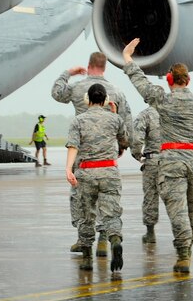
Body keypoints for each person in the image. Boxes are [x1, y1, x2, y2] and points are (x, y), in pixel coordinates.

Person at [121, 39, 193, 274]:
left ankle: (183, 253)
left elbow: (140, 83)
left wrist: (128, 58)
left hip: (171, 160)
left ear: (170, 80)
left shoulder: (162, 99)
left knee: (177, 209)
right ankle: (189, 245)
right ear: (188, 80)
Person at [52, 51, 132, 256]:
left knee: (81, 199)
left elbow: (56, 92)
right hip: (107, 155)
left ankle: (84, 240)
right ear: (105, 67)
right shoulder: (116, 91)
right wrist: (122, 147)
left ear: (88, 66)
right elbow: (126, 121)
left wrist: (68, 73)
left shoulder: (78, 88)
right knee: (107, 200)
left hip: (83, 154)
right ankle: (104, 239)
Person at [65, 84, 129, 272]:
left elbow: (73, 146)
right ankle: (115, 239)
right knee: (111, 212)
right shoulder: (115, 119)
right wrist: (116, 114)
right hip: (109, 171)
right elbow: (124, 141)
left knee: (86, 214)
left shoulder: (78, 121)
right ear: (105, 99)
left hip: (86, 172)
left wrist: (69, 169)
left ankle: (86, 258)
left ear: (87, 99)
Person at [130, 105, 162, 244]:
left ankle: (150, 232)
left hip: (153, 160)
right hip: (175, 158)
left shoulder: (145, 115)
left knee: (150, 196)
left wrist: (137, 155)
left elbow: (137, 139)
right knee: (178, 198)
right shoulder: (175, 111)